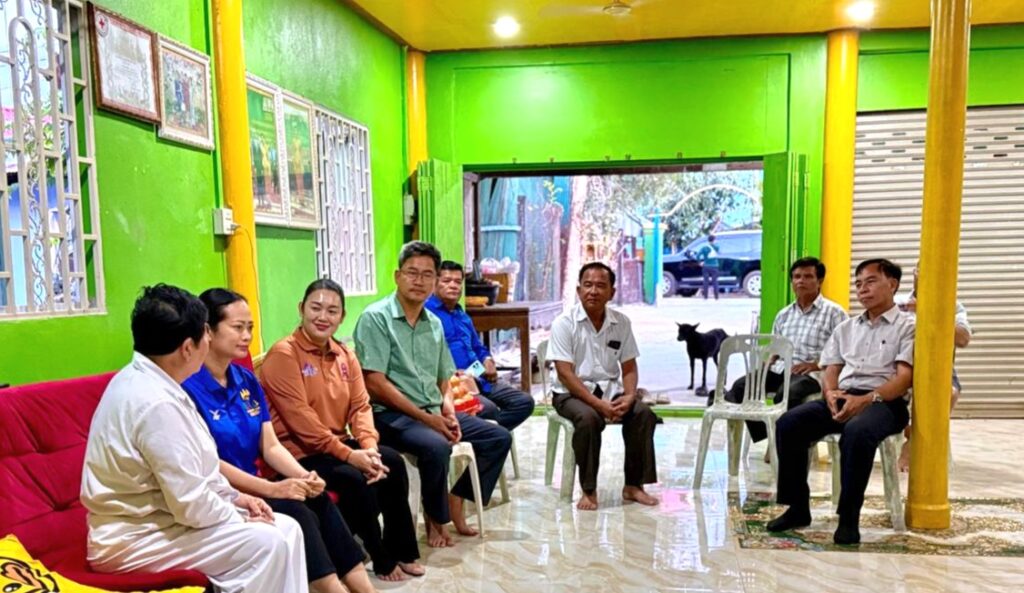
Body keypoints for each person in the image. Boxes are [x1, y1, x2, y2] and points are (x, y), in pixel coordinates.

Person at [81, 284, 307, 593]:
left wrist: (238, 498)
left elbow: (200, 471)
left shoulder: (158, 382)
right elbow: (190, 504)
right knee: (265, 542)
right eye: (206, 333)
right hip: (134, 538)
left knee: (289, 528)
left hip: (168, 521)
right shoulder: (155, 403)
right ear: (188, 347)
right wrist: (237, 516)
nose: (209, 340)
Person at [182, 288, 377, 593]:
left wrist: (304, 477)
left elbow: (270, 446)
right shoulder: (187, 388)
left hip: (258, 481)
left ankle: (366, 589)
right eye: (237, 327)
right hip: (223, 491)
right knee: (298, 512)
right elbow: (208, 463)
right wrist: (273, 488)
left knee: (316, 496)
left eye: (250, 327)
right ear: (208, 330)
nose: (247, 336)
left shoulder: (246, 379)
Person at [259, 279, 424, 581]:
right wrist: (350, 456)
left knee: (391, 462)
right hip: (297, 453)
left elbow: (361, 406)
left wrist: (369, 447)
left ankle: (402, 550)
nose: (323, 317)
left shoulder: (345, 354)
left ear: (342, 316)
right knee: (352, 477)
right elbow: (302, 420)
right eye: (316, 308)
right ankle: (380, 557)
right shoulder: (284, 354)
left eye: (332, 311)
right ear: (301, 309)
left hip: (337, 445)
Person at [355, 241, 512, 548]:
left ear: (434, 280)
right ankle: (436, 517)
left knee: (498, 438)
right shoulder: (376, 318)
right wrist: (429, 419)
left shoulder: (435, 324)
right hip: (391, 415)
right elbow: (374, 383)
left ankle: (455, 501)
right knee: (436, 445)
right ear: (398, 276)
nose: (419, 280)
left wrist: (448, 411)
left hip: (432, 412)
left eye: (427, 274)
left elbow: (444, 379)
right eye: (412, 273)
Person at [768, 259, 914, 545]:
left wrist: (866, 399)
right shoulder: (846, 328)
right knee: (789, 422)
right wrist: (831, 394)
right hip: (844, 395)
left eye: (870, 281)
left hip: (884, 401)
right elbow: (831, 368)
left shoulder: (907, 327)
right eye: (858, 284)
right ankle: (797, 508)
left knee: (857, 432)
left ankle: (848, 517)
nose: (862, 289)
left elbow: (904, 379)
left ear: (892, 284)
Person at [548, 261, 659, 511]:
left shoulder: (621, 323)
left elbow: (629, 367)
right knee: (588, 419)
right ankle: (588, 490)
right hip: (570, 393)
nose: (593, 291)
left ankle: (634, 485)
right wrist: (599, 405)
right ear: (578, 290)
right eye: (587, 285)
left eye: (600, 285)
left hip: (610, 390)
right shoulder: (564, 323)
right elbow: (565, 374)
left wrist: (629, 396)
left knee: (643, 414)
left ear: (612, 292)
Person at [708, 257, 848, 446]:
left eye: (808, 276)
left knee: (787, 393)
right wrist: (767, 362)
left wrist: (816, 364)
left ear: (820, 281)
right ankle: (770, 435)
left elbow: (844, 352)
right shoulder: (784, 315)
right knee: (741, 386)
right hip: (780, 369)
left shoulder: (834, 313)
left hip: (810, 374)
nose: (801, 281)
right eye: (797, 277)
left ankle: (784, 442)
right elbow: (776, 346)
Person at [425, 260, 535, 431]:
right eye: (447, 281)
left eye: (458, 282)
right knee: (488, 409)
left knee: (524, 402)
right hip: (454, 382)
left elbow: (478, 347)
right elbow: (428, 357)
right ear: (434, 283)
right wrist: (455, 375)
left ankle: (490, 434)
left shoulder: (461, 314)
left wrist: (488, 360)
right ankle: (491, 434)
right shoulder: (427, 314)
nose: (453, 286)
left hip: (479, 376)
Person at [896, 261, 972, 470]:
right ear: (915, 274)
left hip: (933, 367)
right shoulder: (897, 302)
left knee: (949, 392)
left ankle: (913, 442)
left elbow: (963, 339)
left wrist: (929, 312)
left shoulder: (952, 306)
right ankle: (908, 430)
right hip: (895, 365)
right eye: (922, 271)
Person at [696, 234, 720, 300]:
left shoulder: (704, 247)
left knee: (705, 281)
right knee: (715, 281)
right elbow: (718, 250)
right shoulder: (716, 247)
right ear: (714, 240)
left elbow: (698, 255)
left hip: (706, 266)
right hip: (715, 266)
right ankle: (716, 297)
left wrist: (700, 262)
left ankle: (705, 297)